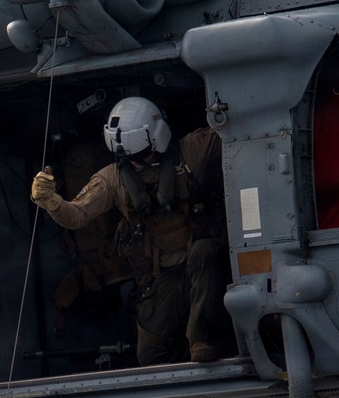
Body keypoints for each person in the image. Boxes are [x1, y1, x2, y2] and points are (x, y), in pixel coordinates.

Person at [30, 97, 228, 366]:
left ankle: (201, 339)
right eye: (127, 158)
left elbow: (235, 136)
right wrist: (51, 201)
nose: (135, 164)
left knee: (203, 253)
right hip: (164, 273)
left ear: (158, 140)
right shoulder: (112, 178)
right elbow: (76, 215)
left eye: (140, 155)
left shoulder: (193, 150)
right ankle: (203, 354)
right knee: (150, 356)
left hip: (205, 257)